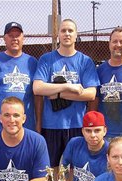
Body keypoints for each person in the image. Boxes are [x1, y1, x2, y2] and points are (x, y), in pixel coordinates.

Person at [33, 18, 99, 168]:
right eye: (63, 31)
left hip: (76, 124)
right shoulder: (47, 59)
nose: (67, 34)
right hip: (51, 125)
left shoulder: (85, 61)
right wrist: (70, 87)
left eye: (70, 31)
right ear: (58, 35)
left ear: (76, 35)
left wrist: (57, 94)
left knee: (76, 168)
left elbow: (90, 94)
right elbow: (37, 88)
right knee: (49, 168)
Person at [0, 22, 41, 132]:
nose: (14, 39)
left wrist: (38, 123)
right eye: (11, 36)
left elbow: (38, 96)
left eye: (17, 35)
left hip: (26, 129)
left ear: (23, 38)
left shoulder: (32, 62)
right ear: (4, 38)